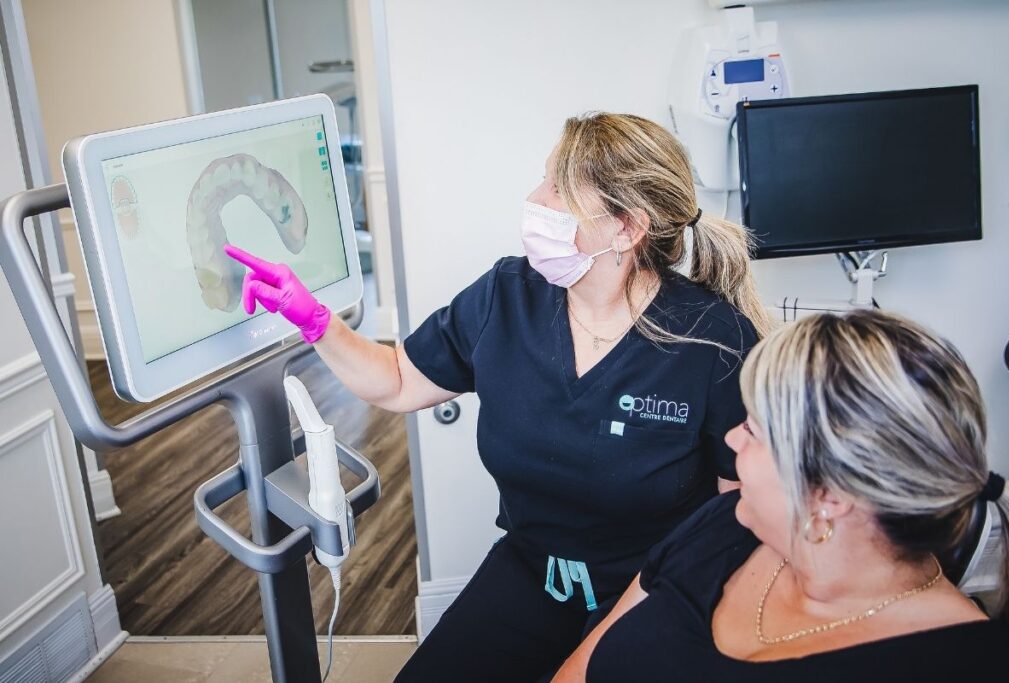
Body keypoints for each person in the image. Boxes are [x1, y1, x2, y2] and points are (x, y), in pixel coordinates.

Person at [225, 112, 773, 681]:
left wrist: (610, 639)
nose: (535, 199)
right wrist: (315, 320)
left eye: (558, 187)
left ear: (627, 229)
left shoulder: (712, 339)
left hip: (651, 583)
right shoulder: (506, 296)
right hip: (532, 570)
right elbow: (396, 378)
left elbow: (738, 509)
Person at [553, 310, 1009, 682]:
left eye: (753, 430)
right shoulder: (724, 523)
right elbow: (582, 667)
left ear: (829, 494)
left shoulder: (965, 665)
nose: (733, 439)